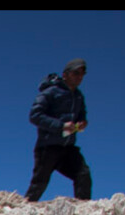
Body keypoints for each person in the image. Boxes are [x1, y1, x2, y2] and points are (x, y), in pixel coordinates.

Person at [24, 58, 91, 202]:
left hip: (68, 147)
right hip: (48, 147)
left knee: (83, 174)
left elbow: (82, 114)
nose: (79, 77)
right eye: (76, 73)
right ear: (65, 75)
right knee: (39, 184)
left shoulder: (78, 96)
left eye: (82, 74)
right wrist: (61, 126)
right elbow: (35, 116)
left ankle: (83, 213)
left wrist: (82, 123)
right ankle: (23, 214)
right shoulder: (50, 92)